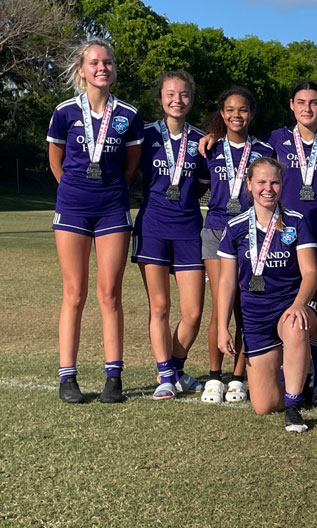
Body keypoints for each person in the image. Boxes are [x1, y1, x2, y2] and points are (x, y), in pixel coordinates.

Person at [47, 38, 143, 404]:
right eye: (94, 63)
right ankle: (67, 377)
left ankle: (113, 378)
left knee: (110, 294)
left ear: (114, 69)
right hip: (73, 207)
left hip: (112, 209)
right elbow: (55, 160)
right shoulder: (65, 112)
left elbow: (131, 167)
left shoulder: (129, 115)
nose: (102, 68)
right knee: (74, 293)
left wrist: (109, 191)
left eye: (107, 62)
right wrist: (72, 190)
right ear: (82, 70)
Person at [216, 157, 317, 431]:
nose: (268, 189)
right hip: (256, 315)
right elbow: (226, 282)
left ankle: (294, 406)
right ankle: (294, 376)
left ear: (282, 184)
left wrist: (299, 304)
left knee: (296, 325)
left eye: (274, 182)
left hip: (290, 304)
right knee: (265, 405)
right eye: (261, 182)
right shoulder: (235, 227)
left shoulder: (296, 221)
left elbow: (311, 273)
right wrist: (222, 327)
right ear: (249, 184)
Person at [132, 70, 209, 399]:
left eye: (184, 94)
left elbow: (202, 185)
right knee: (160, 307)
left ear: (191, 99)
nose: (177, 100)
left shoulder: (202, 140)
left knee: (193, 313)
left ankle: (175, 368)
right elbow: (128, 169)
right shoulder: (145, 134)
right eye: (171, 94)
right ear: (160, 98)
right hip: (152, 228)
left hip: (189, 230)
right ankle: (165, 375)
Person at [268, 80, 317, 405]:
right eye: (301, 102)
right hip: (286, 233)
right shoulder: (276, 139)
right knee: (288, 305)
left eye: (314, 102)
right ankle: (290, 377)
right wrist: (213, 134)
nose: (307, 108)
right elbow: (242, 149)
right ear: (291, 105)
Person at [200, 87, 274, 404]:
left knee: (246, 308)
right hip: (216, 230)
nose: (236, 115)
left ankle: (237, 377)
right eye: (230, 110)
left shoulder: (264, 150)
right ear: (222, 113)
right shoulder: (210, 147)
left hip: (250, 233)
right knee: (221, 305)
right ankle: (214, 377)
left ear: (251, 113)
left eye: (242, 109)